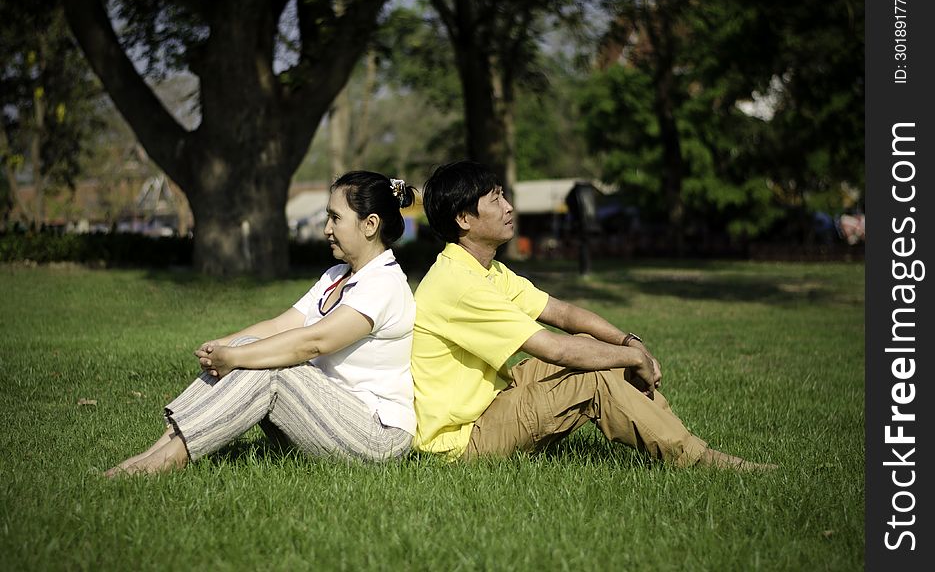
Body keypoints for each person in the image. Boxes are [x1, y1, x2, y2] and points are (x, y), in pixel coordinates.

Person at [411, 160, 773, 470]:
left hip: (492, 401)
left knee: (594, 346)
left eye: (504, 195)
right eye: (496, 199)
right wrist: (632, 356)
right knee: (592, 378)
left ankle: (674, 435)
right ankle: (697, 458)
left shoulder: (486, 270)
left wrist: (627, 342)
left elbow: (562, 313)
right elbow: (556, 351)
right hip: (461, 441)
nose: (509, 207)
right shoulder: (458, 284)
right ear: (464, 219)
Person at [106, 172, 418, 476]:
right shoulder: (336, 276)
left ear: (370, 224)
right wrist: (224, 346)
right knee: (249, 349)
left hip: (376, 438)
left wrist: (236, 358)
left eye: (335, 218)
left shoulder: (384, 284)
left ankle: (168, 460)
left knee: (271, 370)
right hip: (326, 418)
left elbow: (314, 342)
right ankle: (152, 454)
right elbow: (279, 326)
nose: (326, 229)